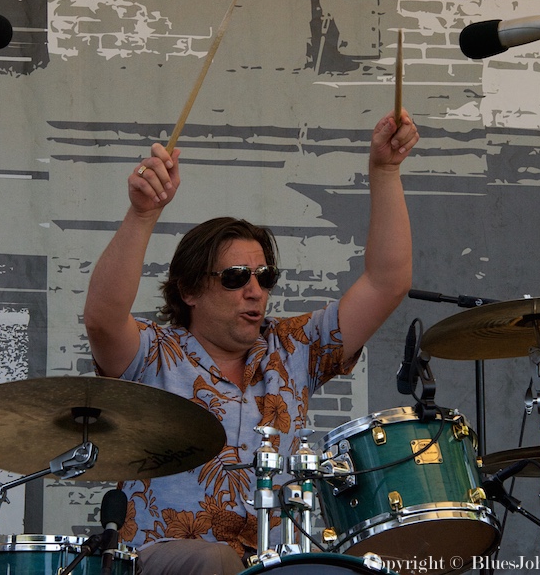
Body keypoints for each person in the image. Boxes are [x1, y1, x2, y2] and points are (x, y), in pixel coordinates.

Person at [83, 110, 419, 575]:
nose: (255, 290)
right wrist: (144, 214)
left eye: (265, 276)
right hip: (160, 562)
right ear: (189, 290)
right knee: (217, 562)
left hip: (271, 562)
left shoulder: (293, 348)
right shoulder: (154, 354)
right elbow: (102, 321)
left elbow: (387, 282)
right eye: (236, 277)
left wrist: (385, 170)